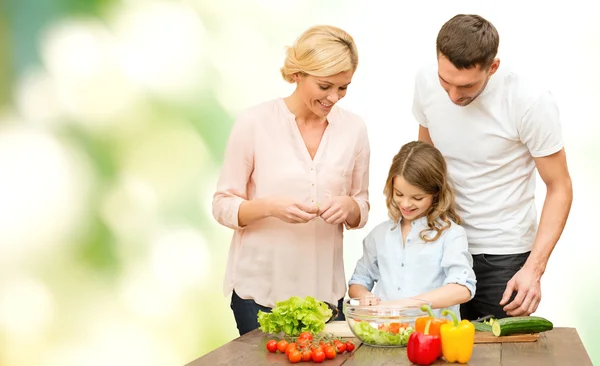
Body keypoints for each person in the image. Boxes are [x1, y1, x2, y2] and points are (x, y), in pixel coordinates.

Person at [212, 25, 370, 336]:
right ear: (298, 74)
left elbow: (361, 206)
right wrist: (270, 207)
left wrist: (349, 206)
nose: (333, 98)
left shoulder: (354, 129)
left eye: (343, 88)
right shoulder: (255, 123)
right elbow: (222, 205)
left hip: (325, 294)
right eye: (325, 86)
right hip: (260, 293)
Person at [412, 14, 573, 320]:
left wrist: (533, 269)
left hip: (503, 255)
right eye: (446, 82)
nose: (454, 96)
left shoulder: (529, 101)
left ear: (493, 67)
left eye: (467, 86)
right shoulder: (425, 80)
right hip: (442, 244)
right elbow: (426, 160)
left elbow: (560, 187)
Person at [348, 141, 476, 318]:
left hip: (432, 334)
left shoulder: (451, 234)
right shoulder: (379, 235)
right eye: (399, 194)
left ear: (436, 193)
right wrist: (365, 296)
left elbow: (462, 288)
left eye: (417, 197)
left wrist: (404, 305)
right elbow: (358, 282)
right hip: (386, 331)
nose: (406, 204)